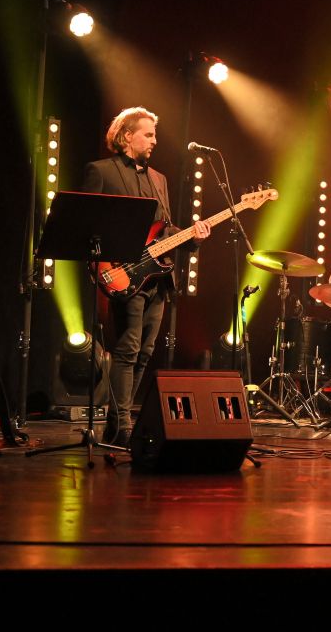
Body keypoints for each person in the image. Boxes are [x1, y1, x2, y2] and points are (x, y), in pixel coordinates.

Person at [82, 107, 210, 446]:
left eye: (155, 135)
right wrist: (103, 266)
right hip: (124, 273)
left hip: (157, 277)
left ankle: (118, 422)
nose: (154, 141)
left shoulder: (159, 179)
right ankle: (122, 425)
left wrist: (193, 236)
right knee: (127, 348)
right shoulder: (101, 171)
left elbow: (163, 230)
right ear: (127, 136)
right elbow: (87, 225)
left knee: (144, 352)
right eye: (148, 134)